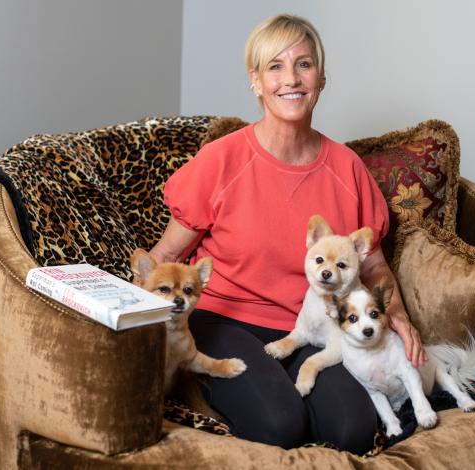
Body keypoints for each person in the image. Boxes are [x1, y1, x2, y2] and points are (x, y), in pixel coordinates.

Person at [150, 13, 426, 454]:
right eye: (274, 66)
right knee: (280, 424)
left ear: (320, 76)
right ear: (255, 81)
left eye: (303, 64)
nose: (290, 79)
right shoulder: (221, 159)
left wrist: (400, 317)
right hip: (224, 320)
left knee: (352, 429)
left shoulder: (347, 169)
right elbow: (166, 254)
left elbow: (374, 267)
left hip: (314, 328)